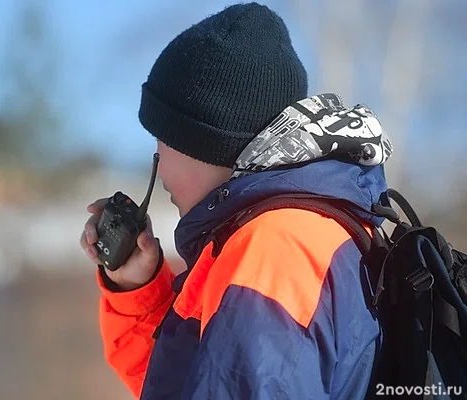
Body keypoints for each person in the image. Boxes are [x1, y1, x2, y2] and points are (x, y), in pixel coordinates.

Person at [80, 3, 393, 399]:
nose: (156, 160)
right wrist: (136, 285)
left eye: (164, 139)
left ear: (208, 145)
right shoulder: (302, 229)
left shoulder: (272, 250)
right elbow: (183, 383)